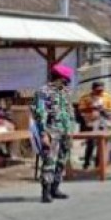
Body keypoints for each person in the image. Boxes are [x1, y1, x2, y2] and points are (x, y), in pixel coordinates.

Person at [31, 64, 74, 203]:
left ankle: (56, 188)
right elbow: (40, 113)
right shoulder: (43, 92)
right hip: (51, 132)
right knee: (50, 161)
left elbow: (69, 111)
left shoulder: (65, 91)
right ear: (59, 78)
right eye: (65, 80)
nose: (67, 83)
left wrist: (72, 129)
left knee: (62, 161)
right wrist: (43, 134)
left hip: (66, 131)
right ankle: (46, 191)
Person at [77, 81, 111, 170]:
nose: (99, 92)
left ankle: (99, 163)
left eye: (101, 90)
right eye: (97, 90)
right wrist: (91, 108)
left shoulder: (107, 96)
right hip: (90, 122)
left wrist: (104, 109)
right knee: (91, 143)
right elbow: (81, 110)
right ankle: (87, 162)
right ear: (93, 90)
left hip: (103, 122)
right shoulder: (86, 98)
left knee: (102, 143)